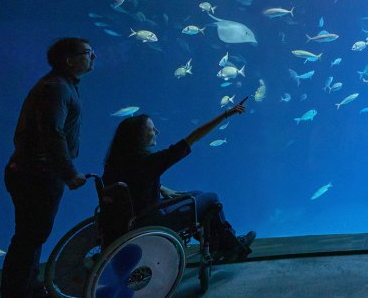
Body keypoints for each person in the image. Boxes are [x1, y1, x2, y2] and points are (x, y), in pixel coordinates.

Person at [1, 38, 93, 298]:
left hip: (35, 172)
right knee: (27, 241)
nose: (93, 57)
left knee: (32, 237)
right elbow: (51, 134)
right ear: (68, 60)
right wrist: (68, 173)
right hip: (37, 174)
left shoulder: (60, 84)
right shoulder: (56, 88)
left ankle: (29, 294)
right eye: (87, 53)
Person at [101, 101, 255, 265]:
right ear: (139, 136)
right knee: (211, 198)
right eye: (152, 129)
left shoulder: (114, 163)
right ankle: (231, 246)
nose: (157, 131)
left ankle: (221, 243)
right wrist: (226, 115)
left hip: (131, 221)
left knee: (195, 194)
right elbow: (193, 137)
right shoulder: (148, 162)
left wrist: (161, 187)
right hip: (153, 221)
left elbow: (133, 183)